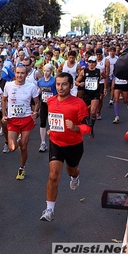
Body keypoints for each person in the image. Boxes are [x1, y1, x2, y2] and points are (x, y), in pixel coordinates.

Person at [40, 72, 91, 222]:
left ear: (71, 85)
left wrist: (76, 127)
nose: (60, 87)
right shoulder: (51, 101)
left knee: (72, 170)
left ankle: (75, 177)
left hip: (74, 145)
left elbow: (88, 127)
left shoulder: (78, 104)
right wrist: (51, 129)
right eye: (58, 84)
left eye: (64, 84)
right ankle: (49, 210)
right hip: (56, 143)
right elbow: (53, 118)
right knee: (53, 176)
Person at [1, 65, 40, 180]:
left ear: (26, 74)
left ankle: (22, 168)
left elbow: (37, 102)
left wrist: (35, 112)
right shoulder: (8, 85)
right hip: (13, 120)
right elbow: (4, 100)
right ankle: (18, 140)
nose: (19, 75)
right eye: (17, 73)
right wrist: (4, 115)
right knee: (12, 148)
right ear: (14, 73)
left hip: (26, 119)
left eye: (22, 73)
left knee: (24, 147)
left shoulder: (31, 86)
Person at [75, 56, 106, 139]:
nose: (91, 64)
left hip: (95, 93)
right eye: (90, 62)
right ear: (88, 63)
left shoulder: (99, 71)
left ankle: (91, 129)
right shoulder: (83, 72)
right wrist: (80, 84)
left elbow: (105, 78)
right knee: (85, 112)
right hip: (86, 94)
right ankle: (87, 123)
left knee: (93, 111)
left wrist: (105, 89)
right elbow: (76, 82)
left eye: (93, 62)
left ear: (96, 63)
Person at [37, 64, 56, 152]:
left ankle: (54, 142)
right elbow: (39, 91)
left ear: (51, 71)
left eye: (48, 71)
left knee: (53, 124)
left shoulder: (54, 80)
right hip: (44, 104)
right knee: (42, 122)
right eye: (44, 71)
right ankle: (43, 142)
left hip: (53, 105)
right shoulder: (40, 81)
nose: (46, 73)